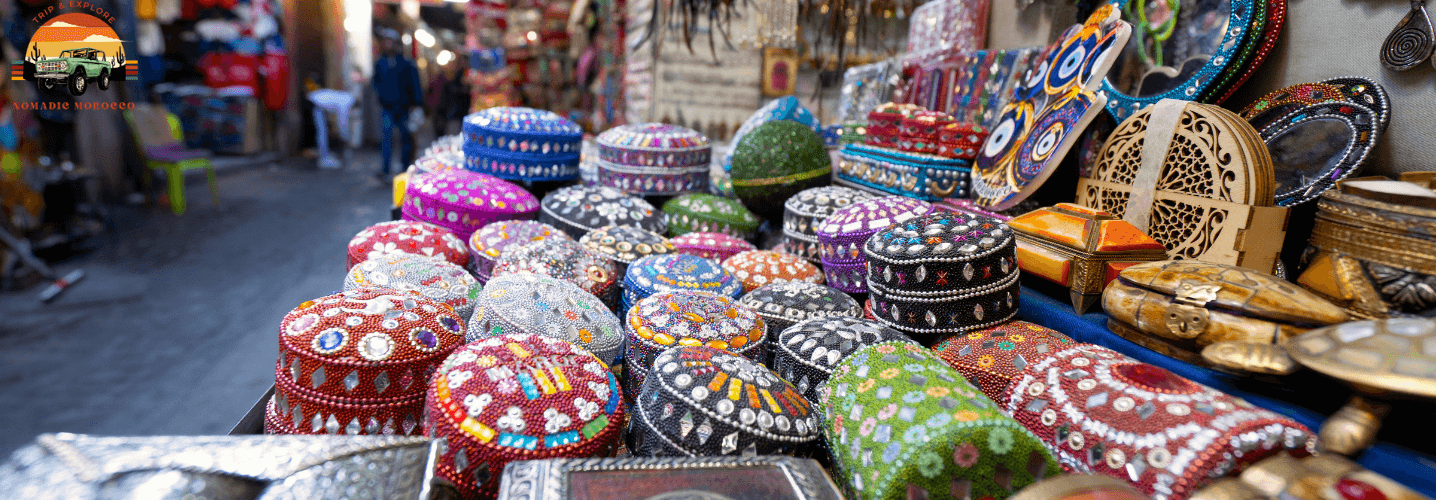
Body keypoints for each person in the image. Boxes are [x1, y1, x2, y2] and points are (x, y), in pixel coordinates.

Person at [371, 33, 421, 181]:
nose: (388, 45)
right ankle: (385, 169)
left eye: (390, 42)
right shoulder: (380, 63)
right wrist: (381, 97)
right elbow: (376, 83)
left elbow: (414, 84)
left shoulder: (406, 63)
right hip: (387, 107)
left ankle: (405, 170)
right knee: (386, 139)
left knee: (405, 138)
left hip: (404, 108)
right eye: (385, 41)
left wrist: (417, 104)